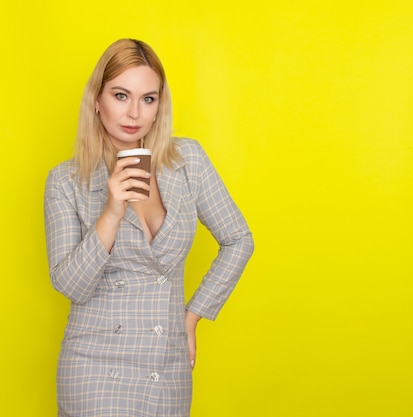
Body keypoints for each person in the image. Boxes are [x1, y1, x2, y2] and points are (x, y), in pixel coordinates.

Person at [43, 38, 254, 417]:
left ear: (160, 106)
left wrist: (190, 319)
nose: (134, 113)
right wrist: (111, 211)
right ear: (97, 99)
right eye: (121, 95)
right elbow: (70, 285)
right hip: (95, 369)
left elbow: (239, 239)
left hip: (167, 367)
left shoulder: (187, 160)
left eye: (148, 99)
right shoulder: (66, 181)